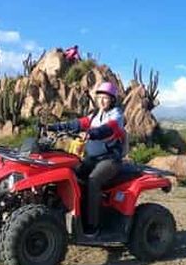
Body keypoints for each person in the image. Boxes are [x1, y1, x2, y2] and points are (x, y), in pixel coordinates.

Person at [47, 81, 127, 236]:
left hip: (110, 159)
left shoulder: (117, 115)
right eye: (100, 97)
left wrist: (91, 133)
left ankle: (93, 226)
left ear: (112, 99)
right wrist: (53, 127)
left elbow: (108, 129)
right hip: (92, 158)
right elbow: (77, 124)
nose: (102, 100)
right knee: (71, 173)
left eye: (105, 98)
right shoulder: (95, 115)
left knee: (93, 180)